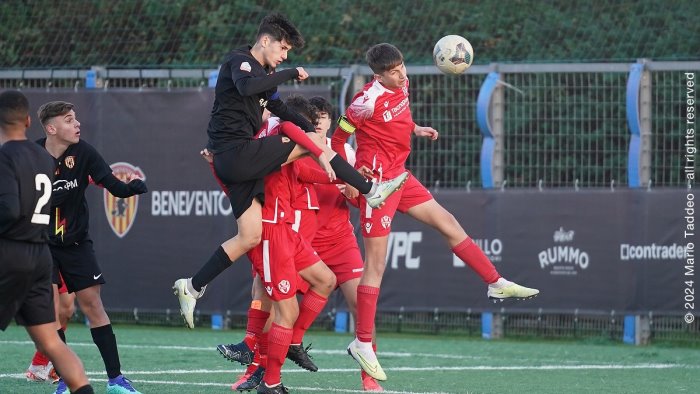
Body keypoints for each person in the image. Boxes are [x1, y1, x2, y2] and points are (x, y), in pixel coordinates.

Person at [173, 13, 408, 330]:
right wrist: (289, 75)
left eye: (287, 54)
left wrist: (312, 129)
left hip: (237, 164)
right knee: (307, 144)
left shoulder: (264, 73)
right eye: (282, 49)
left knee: (249, 236)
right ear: (265, 41)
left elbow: (279, 107)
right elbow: (246, 88)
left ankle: (192, 286)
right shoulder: (240, 62)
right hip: (237, 154)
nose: (284, 56)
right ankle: (370, 189)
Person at [331, 43, 540, 381]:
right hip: (377, 186)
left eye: (403, 67)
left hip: (400, 176)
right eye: (394, 71)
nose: (402, 74)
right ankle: (363, 344)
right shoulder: (363, 103)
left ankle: (495, 282)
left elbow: (398, 119)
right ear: (377, 75)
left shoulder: (403, 84)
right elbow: (338, 143)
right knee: (376, 267)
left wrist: (415, 129)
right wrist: (352, 179)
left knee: (449, 224)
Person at [36, 100, 147, 394]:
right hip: (41, 244)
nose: (77, 124)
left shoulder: (83, 152)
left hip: (75, 244)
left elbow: (113, 184)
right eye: (69, 120)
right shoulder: (31, 156)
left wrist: (131, 189)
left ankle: (116, 380)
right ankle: (64, 380)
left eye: (76, 119)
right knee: (56, 309)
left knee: (93, 305)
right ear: (51, 128)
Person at [0, 90, 95, 394]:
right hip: (41, 255)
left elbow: (10, 210)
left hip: (11, 252)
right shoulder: (42, 155)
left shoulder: (4, 157)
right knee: (52, 341)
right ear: (28, 121)